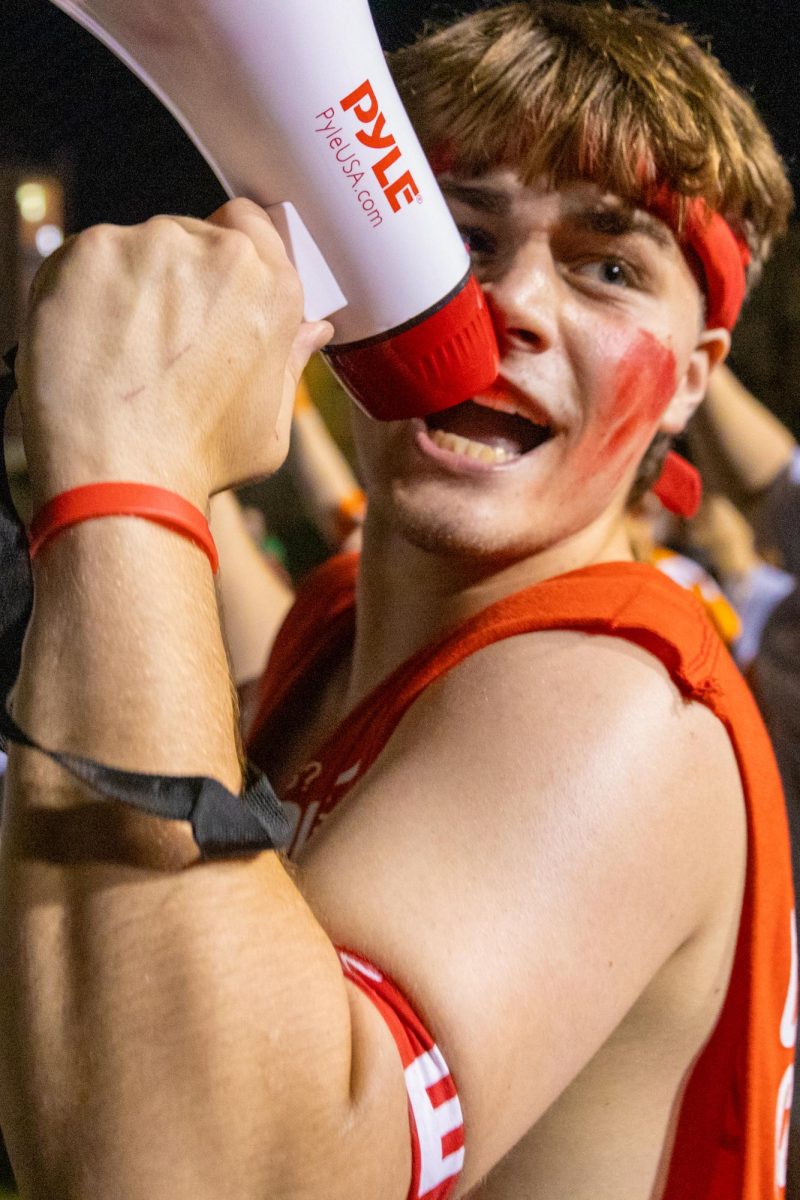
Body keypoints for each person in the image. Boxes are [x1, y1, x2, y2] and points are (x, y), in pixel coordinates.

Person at [0, 4, 795, 1199]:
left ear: (689, 381)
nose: (509, 305)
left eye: (608, 267)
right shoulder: (338, 622)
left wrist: (129, 470)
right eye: (457, 236)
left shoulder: (622, 699)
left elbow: (199, 1174)